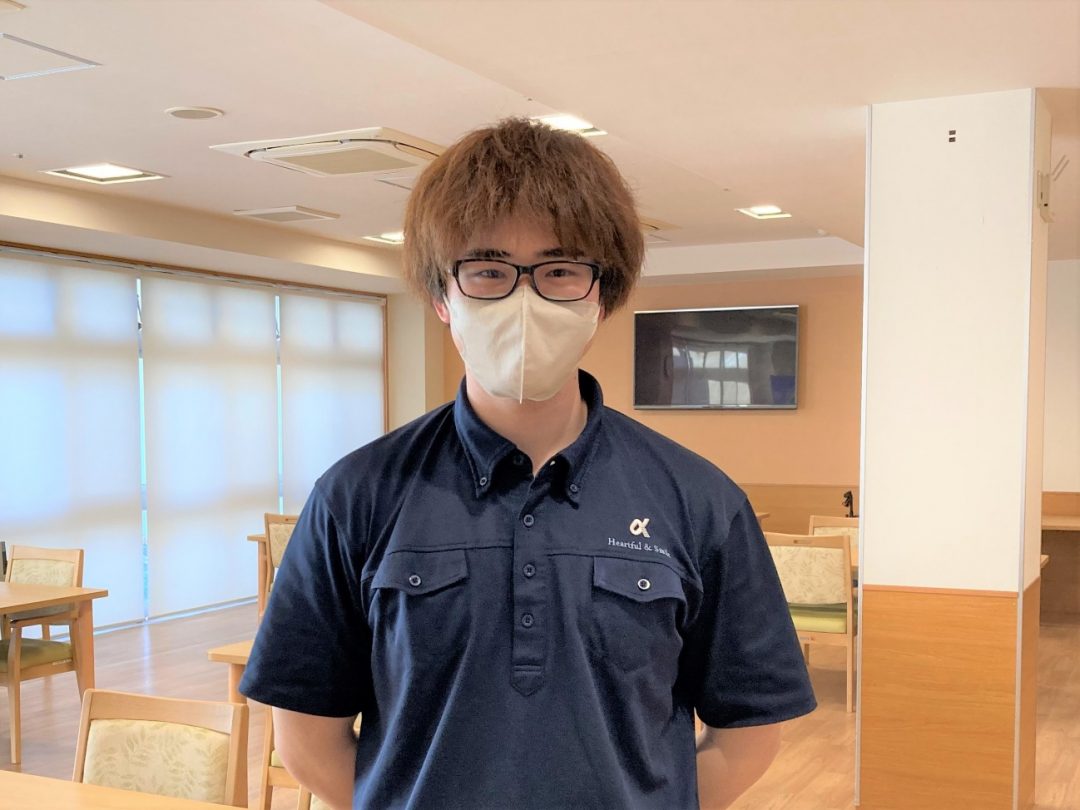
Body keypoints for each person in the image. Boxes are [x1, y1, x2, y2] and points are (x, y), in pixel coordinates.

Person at [239, 118, 815, 810]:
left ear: (601, 296)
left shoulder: (699, 499)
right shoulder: (356, 495)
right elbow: (307, 739)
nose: (523, 301)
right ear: (441, 296)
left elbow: (747, 736)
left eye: (560, 270)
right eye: (487, 270)